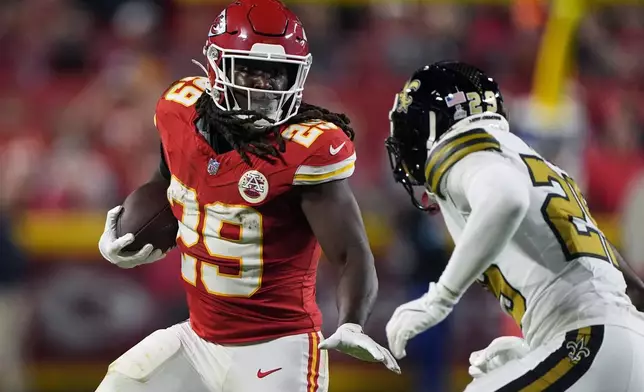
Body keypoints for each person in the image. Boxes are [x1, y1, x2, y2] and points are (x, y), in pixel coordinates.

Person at [96, 1, 399, 391]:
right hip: (199, 339)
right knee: (120, 384)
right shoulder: (180, 111)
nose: (266, 86)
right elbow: (165, 180)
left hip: (277, 348)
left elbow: (350, 253)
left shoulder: (305, 149)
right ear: (217, 66)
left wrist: (353, 320)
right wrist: (126, 222)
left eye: (278, 74)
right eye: (253, 71)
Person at [384, 61, 644, 391]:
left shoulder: (460, 151)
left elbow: (505, 198)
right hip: (626, 344)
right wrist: (538, 344)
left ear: (434, 125)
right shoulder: (537, 165)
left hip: (590, 340)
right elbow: (631, 289)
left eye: (413, 130)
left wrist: (439, 299)